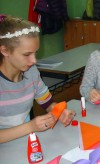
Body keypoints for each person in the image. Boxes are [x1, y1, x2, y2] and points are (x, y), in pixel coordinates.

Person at [0, 15, 75, 143]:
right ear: (5, 50)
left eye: (35, 53)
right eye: (27, 54)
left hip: (25, 142)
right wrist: (30, 126)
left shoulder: (31, 72)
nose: (34, 60)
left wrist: (59, 112)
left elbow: (47, 103)